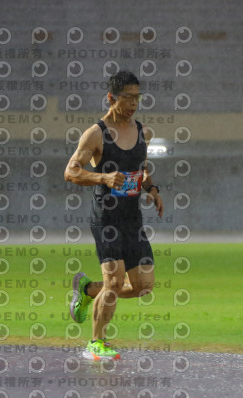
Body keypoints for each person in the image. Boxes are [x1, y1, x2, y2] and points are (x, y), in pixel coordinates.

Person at [63, 70, 164, 360]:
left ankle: (88, 290)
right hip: (106, 219)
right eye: (127, 98)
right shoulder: (97, 134)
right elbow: (70, 171)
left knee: (143, 286)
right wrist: (103, 178)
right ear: (111, 98)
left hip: (132, 219)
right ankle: (96, 343)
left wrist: (152, 188)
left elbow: (140, 168)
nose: (133, 103)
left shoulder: (144, 132)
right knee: (115, 283)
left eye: (137, 98)